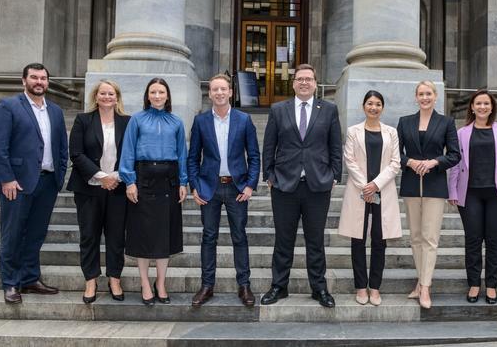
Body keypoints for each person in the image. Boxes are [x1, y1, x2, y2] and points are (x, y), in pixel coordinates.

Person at [261, 63, 342, 308]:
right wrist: (269, 175)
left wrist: (335, 175)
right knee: (283, 240)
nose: (304, 82)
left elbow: (335, 146)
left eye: (309, 78)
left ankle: (319, 288)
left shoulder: (328, 110)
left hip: (317, 185)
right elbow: (269, 146)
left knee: (315, 240)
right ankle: (279, 286)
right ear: (293, 83)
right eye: (300, 79)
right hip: (285, 185)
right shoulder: (278, 109)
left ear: (316, 83)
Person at [0, 63, 68, 304]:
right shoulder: (9, 106)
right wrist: (7, 178)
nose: (39, 82)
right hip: (17, 184)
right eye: (34, 77)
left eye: (43, 78)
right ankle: (11, 283)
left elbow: (61, 146)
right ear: (24, 81)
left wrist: (59, 176)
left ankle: (30, 278)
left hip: (47, 183)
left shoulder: (55, 110)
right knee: (12, 234)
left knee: (36, 234)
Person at [187, 74, 260, 307]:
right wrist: (195, 186)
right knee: (209, 237)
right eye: (214, 89)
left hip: (237, 187)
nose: (219, 93)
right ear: (209, 93)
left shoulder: (244, 119)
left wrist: (250, 185)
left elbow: (254, 156)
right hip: (210, 188)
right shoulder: (200, 121)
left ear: (231, 92)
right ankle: (207, 286)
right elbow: (192, 158)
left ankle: (244, 286)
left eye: (223, 89)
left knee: (240, 236)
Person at [447, 89, 497, 304]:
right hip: (470, 193)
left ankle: (491, 285)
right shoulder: (462, 133)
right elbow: (455, 164)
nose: (482, 107)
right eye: (478, 103)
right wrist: (452, 190)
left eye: (486, 104)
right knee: (473, 239)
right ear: (472, 107)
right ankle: (473, 284)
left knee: (495, 240)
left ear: (492, 107)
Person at [119, 77, 188, 305]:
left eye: (161, 92)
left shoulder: (176, 122)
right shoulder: (137, 120)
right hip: (143, 179)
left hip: (168, 180)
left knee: (164, 235)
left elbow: (182, 154)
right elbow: (127, 151)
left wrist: (183, 182)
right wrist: (129, 181)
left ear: (167, 95)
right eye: (153, 92)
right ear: (147, 96)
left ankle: (160, 282)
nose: (157, 96)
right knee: (143, 235)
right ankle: (145, 283)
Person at [396, 80, 460, 309]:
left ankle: (425, 287)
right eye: (421, 94)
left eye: (429, 94)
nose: (425, 98)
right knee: (415, 237)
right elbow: (395, 153)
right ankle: (420, 282)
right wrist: (411, 162)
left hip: (434, 185)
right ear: (416, 97)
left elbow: (454, 155)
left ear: (435, 96)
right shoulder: (405, 122)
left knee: (430, 238)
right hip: (412, 184)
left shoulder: (446, 122)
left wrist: (434, 162)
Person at [67, 80, 130, 304]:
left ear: (117, 97)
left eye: (110, 94)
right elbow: (76, 153)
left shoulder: (127, 122)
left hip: (118, 188)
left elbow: (132, 154)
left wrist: (116, 177)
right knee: (89, 235)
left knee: (115, 237)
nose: (106, 97)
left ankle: (114, 279)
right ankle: (91, 280)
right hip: (88, 189)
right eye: (102, 93)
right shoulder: (83, 120)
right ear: (96, 96)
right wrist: (102, 177)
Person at [338, 90, 402, 306]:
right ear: (363, 106)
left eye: (377, 104)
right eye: (370, 103)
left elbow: (395, 163)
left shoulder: (391, 132)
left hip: (383, 191)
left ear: (382, 108)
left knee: (379, 239)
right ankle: (360, 287)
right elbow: (349, 159)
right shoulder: (353, 131)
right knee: (357, 239)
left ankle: (374, 287)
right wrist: (366, 187)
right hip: (359, 191)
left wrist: (376, 185)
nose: (373, 107)